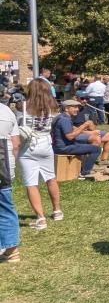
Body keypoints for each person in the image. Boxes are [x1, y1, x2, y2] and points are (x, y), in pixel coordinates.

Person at [17, 79, 63, 228]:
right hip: (46, 144)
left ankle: (41, 218)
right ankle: (57, 211)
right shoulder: (53, 107)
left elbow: (18, 123)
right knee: (51, 178)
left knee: (31, 183)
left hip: (28, 146)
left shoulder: (23, 106)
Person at [52, 98, 103, 178]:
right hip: (64, 148)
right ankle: (84, 173)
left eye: (78, 107)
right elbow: (70, 136)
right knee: (96, 149)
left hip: (59, 146)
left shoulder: (60, 117)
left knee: (86, 143)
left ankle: (84, 167)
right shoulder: (64, 119)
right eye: (74, 107)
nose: (77, 109)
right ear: (66, 108)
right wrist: (83, 126)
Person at [0, 99, 21, 263]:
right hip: (4, 165)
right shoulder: (7, 111)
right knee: (6, 207)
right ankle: (12, 251)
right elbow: (16, 144)